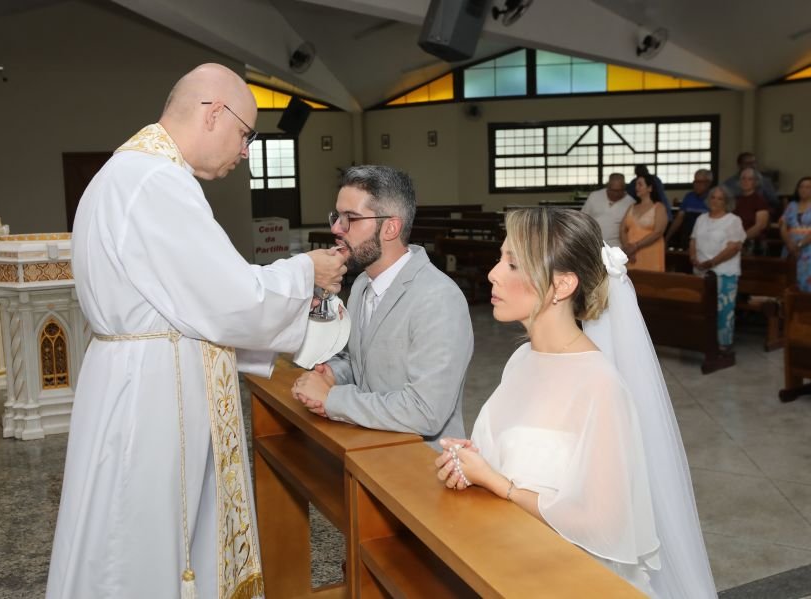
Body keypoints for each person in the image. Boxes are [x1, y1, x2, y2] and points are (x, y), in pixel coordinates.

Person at [46, 64, 347, 599]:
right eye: (246, 134)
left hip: (138, 379)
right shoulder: (156, 181)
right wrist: (307, 272)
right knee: (139, 542)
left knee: (125, 530)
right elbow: (228, 300)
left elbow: (197, 298)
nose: (246, 152)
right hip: (151, 397)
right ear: (212, 112)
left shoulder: (127, 171)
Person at [434, 208, 716, 598]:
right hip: (506, 560)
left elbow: (606, 523)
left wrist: (501, 485)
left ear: (561, 285)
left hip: (568, 580)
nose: (493, 274)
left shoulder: (600, 385)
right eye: (501, 258)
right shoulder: (521, 360)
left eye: (513, 264)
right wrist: (471, 466)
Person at [291, 166, 473, 443]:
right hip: (371, 445)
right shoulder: (363, 284)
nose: (336, 228)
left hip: (419, 464)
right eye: (337, 216)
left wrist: (332, 398)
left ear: (390, 227)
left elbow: (425, 411)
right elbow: (358, 361)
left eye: (350, 218)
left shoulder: (438, 299)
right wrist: (330, 374)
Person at [689, 186, 746, 358]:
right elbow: (693, 240)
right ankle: (704, 341)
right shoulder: (701, 218)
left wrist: (712, 262)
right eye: (713, 197)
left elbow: (734, 247)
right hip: (701, 271)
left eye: (720, 198)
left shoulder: (733, 220)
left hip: (724, 271)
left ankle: (723, 345)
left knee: (723, 311)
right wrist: (694, 258)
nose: (715, 201)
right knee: (703, 309)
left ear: (726, 202)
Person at [621, 173, 667, 271]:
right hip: (631, 254)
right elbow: (622, 229)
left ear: (650, 188)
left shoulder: (659, 207)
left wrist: (636, 246)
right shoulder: (632, 207)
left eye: (640, 184)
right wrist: (628, 248)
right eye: (636, 185)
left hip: (650, 251)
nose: (636, 187)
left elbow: (658, 232)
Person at [581, 172, 633, 248]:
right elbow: (583, 219)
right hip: (593, 244)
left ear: (624, 188)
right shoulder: (594, 196)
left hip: (616, 248)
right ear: (607, 186)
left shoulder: (631, 202)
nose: (615, 194)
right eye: (612, 190)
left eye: (619, 191)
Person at [665, 169, 712, 250]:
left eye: (700, 182)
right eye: (695, 182)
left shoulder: (714, 198)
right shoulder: (689, 196)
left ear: (708, 183)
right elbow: (679, 219)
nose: (696, 185)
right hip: (687, 239)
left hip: (706, 241)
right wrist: (667, 238)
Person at [781, 176, 811, 292]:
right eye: (801, 187)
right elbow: (782, 224)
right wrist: (789, 243)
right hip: (790, 247)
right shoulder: (791, 205)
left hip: (808, 248)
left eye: (808, 187)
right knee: (789, 279)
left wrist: (799, 245)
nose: (804, 189)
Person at [733, 167, 771, 253]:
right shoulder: (736, 200)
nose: (745, 181)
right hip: (734, 242)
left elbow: (760, 226)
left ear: (756, 182)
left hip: (753, 244)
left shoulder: (760, 201)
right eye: (743, 178)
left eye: (750, 179)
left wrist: (741, 239)